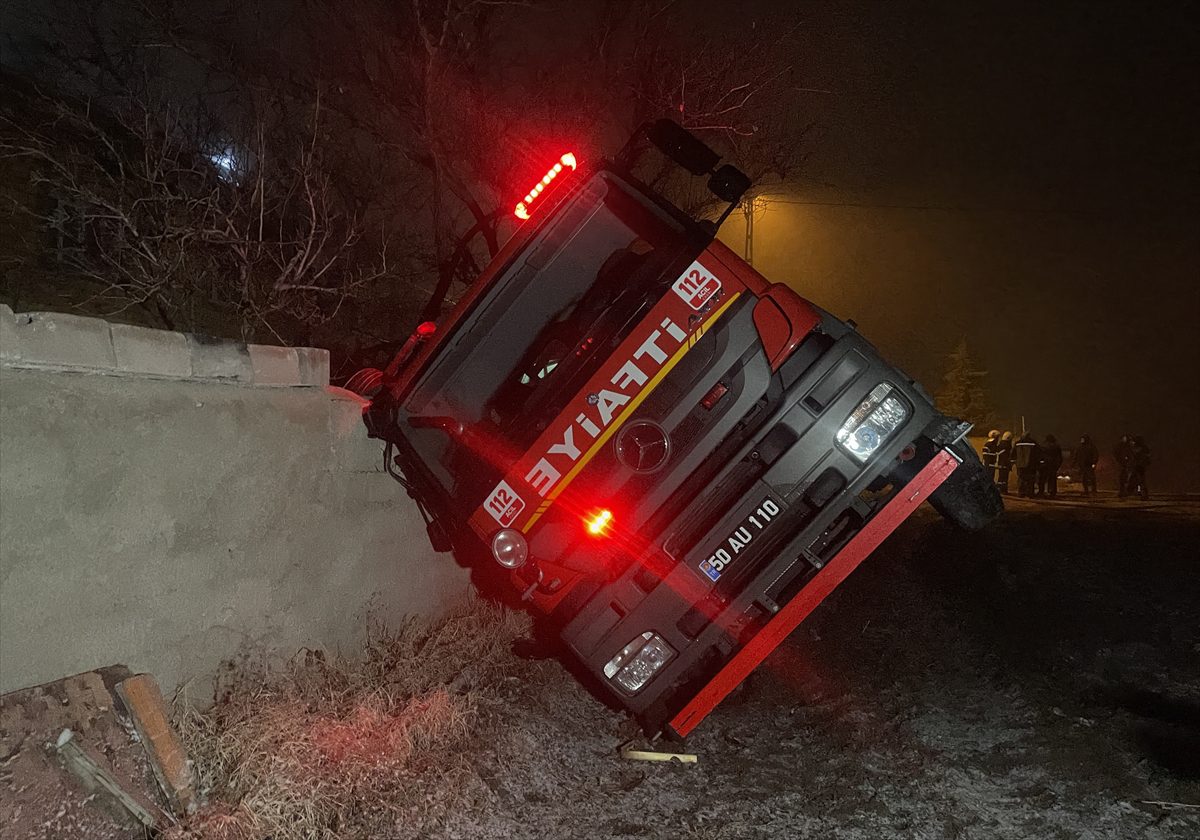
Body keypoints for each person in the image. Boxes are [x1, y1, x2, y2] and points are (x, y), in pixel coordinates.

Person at [1013, 431, 1040, 498]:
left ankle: (1021, 493)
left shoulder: (1017, 443)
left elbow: (1013, 453)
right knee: (1030, 480)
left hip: (1020, 465)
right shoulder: (1033, 443)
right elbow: (1038, 453)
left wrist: (1014, 462)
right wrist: (1038, 463)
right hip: (1031, 465)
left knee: (1021, 479)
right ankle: (1030, 493)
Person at [1038, 434, 1063, 499]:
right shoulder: (1056, 446)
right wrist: (1058, 465)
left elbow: (1040, 456)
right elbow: (1059, 457)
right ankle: (1052, 492)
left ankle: (1041, 492)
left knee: (1042, 479)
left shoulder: (1043, 446)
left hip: (1044, 465)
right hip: (1053, 465)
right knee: (1052, 479)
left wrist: (1040, 464)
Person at [1129, 436, 1151, 500]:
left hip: (1139, 467)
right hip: (1138, 466)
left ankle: (1144, 494)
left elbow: (1143, 459)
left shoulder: (1141, 449)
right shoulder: (1142, 449)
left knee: (1141, 481)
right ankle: (1138, 492)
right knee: (1137, 480)